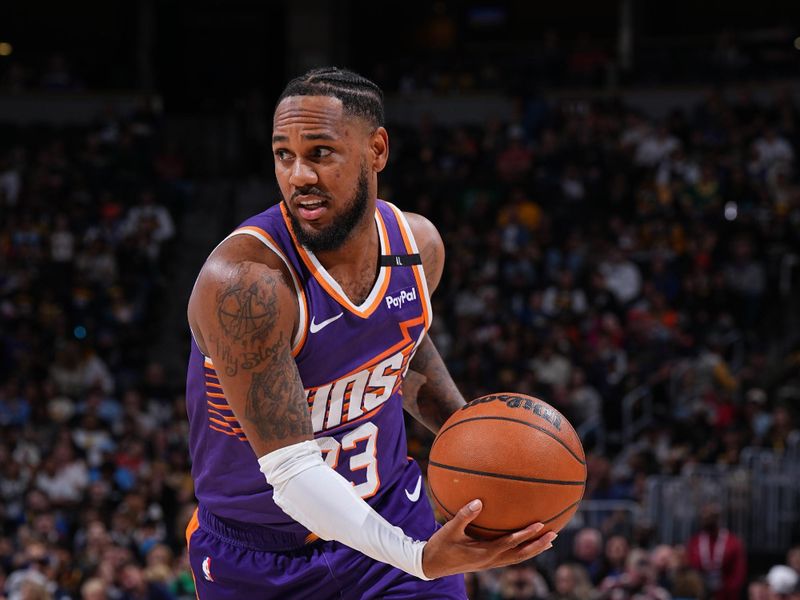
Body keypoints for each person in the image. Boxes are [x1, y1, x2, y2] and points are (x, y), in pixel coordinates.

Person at [183, 66, 557, 599]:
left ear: (377, 150)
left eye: (320, 153)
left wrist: (483, 450)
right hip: (261, 556)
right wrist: (420, 558)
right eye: (283, 155)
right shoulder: (247, 284)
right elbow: (294, 478)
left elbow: (400, 344)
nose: (298, 176)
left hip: (390, 509)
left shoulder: (417, 247)